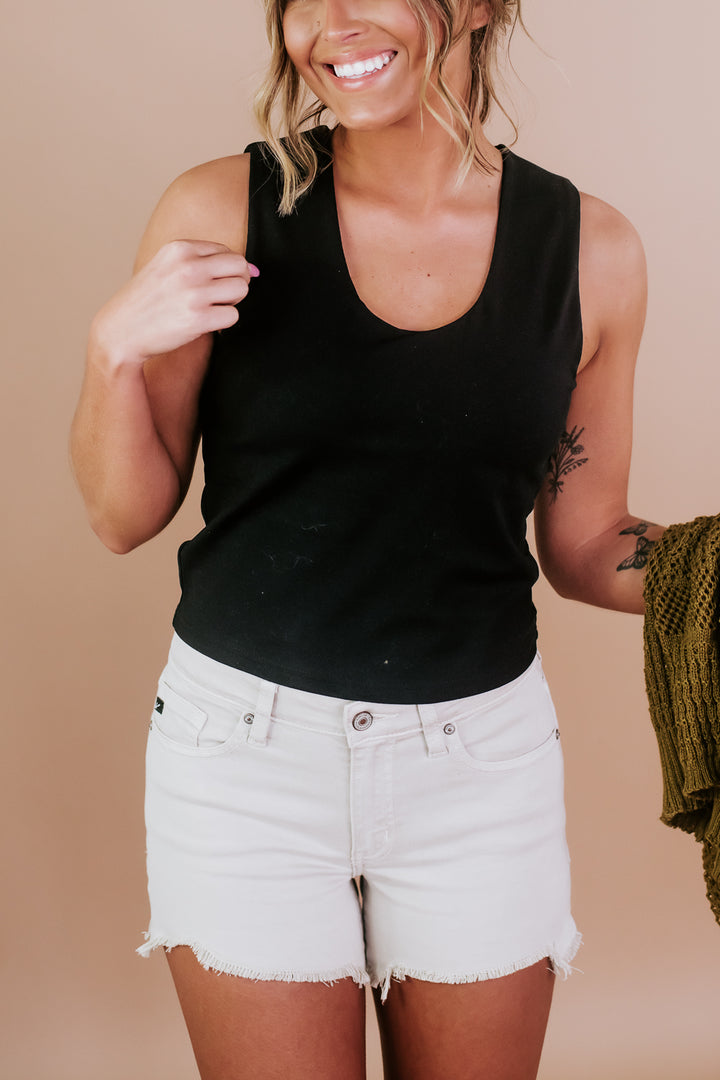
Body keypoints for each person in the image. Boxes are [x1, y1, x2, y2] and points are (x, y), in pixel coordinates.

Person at [70, 1, 663, 1077]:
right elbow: (124, 517)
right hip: (244, 756)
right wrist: (112, 353)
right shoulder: (220, 209)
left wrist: (706, 568)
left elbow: (585, 543)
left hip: (480, 767)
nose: (333, 22)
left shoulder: (594, 252)